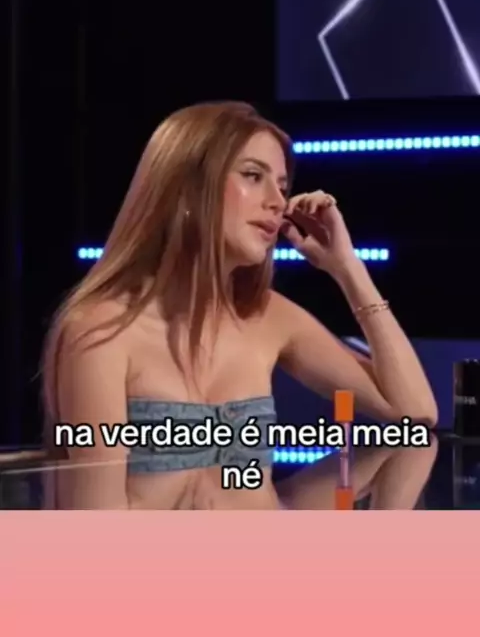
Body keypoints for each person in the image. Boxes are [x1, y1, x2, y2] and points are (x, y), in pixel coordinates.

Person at [42, 100, 437, 467]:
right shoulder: (101, 330)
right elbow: (99, 512)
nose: (278, 202)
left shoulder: (268, 316)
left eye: (282, 186)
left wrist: (348, 268)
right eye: (253, 176)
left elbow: (415, 415)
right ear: (187, 189)